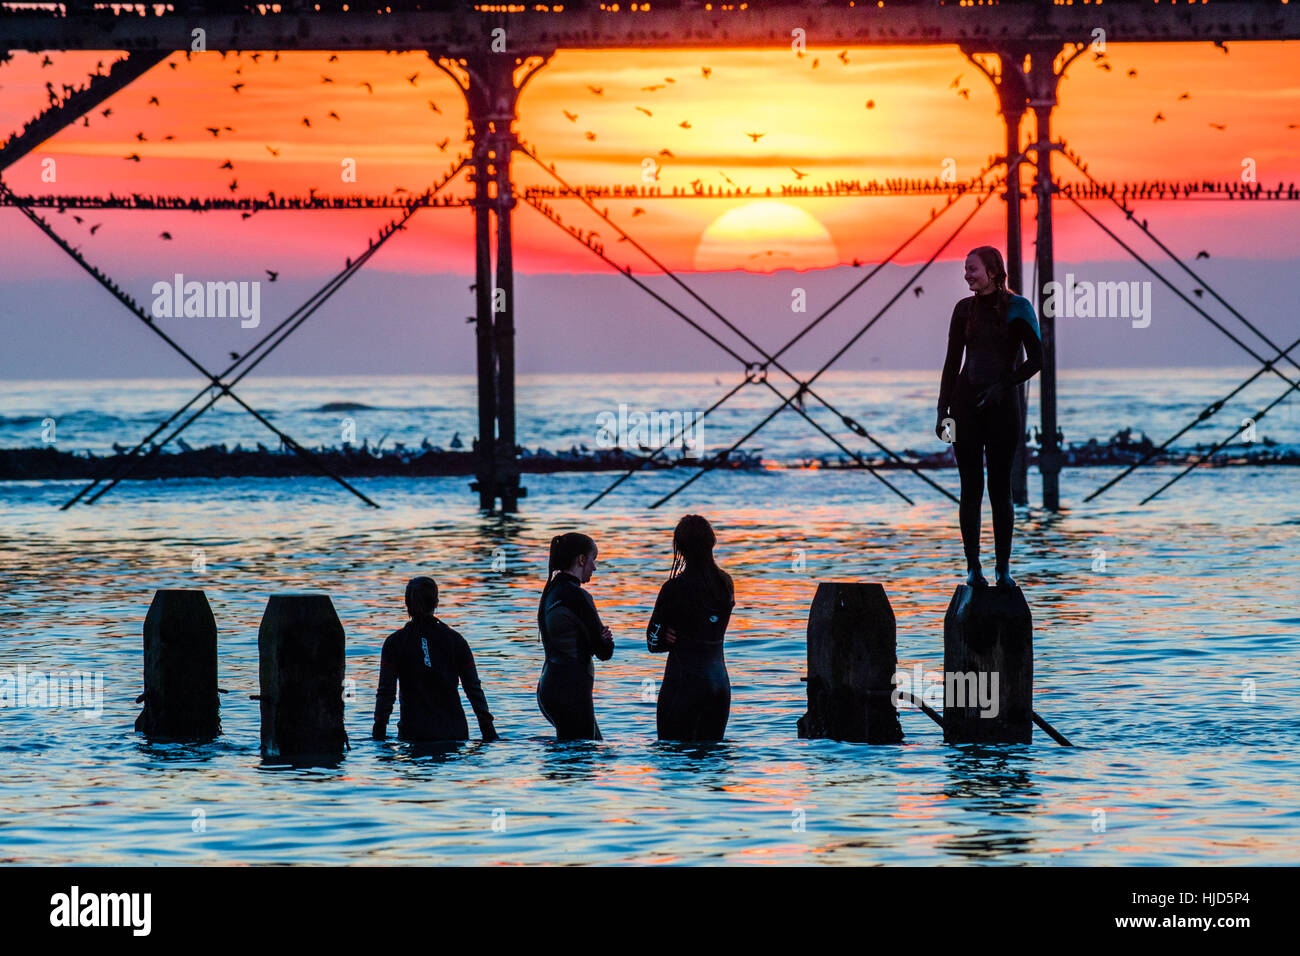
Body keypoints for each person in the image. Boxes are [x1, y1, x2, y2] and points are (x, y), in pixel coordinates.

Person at [936, 245, 1043, 589]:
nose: (967, 274)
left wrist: (1004, 385)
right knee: (970, 489)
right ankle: (973, 570)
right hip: (965, 407)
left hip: (1003, 409)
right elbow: (952, 362)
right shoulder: (962, 310)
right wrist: (942, 411)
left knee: (1000, 489)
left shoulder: (1019, 308)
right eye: (965, 269)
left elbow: (1037, 359)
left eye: (973, 268)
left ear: (993, 272)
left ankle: (1003, 570)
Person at [372, 576, 498, 743]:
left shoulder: (394, 643)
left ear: (406, 605)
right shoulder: (456, 641)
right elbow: (473, 689)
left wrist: (378, 731)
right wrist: (488, 730)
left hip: (414, 734)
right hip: (454, 733)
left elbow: (386, 693)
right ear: (436, 603)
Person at [646, 515, 734, 741]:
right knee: (713, 764)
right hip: (720, 685)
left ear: (680, 549)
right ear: (711, 544)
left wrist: (665, 637)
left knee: (674, 756)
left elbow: (653, 643)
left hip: (685, 684)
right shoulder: (725, 584)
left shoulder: (674, 588)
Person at [536, 532, 614, 740]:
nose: (595, 568)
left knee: (569, 760)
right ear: (581, 560)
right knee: (582, 761)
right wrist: (606, 638)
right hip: (572, 691)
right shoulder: (578, 596)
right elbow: (604, 652)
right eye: (593, 560)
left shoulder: (550, 592)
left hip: (548, 686)